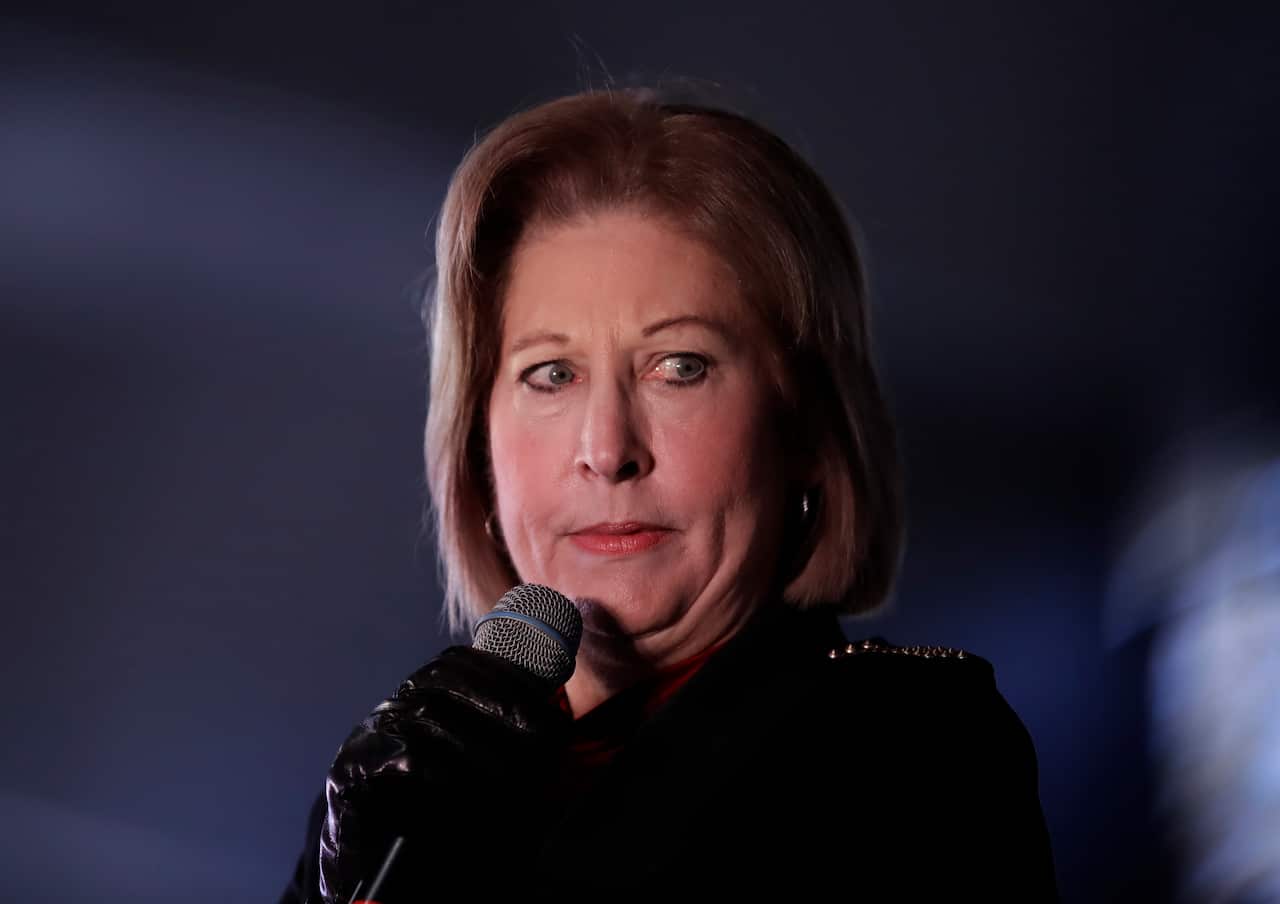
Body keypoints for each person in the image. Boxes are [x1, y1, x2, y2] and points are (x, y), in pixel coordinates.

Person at [278, 87, 1059, 901]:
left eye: (678, 367)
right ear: (477, 450)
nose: (607, 450)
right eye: (552, 374)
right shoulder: (398, 803)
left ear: (803, 431)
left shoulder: (909, 748)